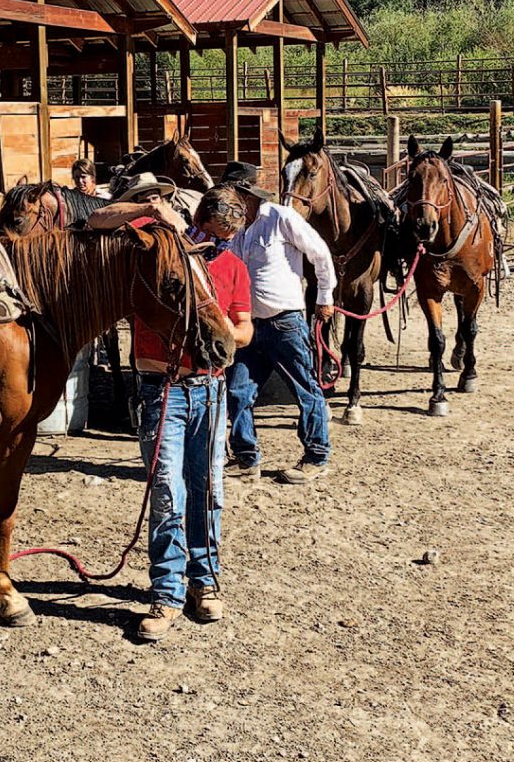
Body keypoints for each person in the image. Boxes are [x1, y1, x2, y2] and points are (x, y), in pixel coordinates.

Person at [89, 183, 252, 642]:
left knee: (208, 488)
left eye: (224, 240)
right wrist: (149, 207)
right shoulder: (160, 251)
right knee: (166, 490)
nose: (215, 246)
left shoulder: (233, 267)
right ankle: (167, 590)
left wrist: (217, 331)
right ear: (195, 222)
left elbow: (245, 328)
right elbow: (96, 221)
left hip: (211, 388)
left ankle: (204, 581)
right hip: (164, 388)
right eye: (211, 235)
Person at [211, 162, 336, 485]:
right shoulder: (235, 229)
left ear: (245, 194)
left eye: (232, 195)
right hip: (248, 325)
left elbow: (320, 253)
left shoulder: (281, 218)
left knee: (305, 388)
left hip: (285, 321)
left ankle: (316, 455)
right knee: (238, 391)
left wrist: (324, 296)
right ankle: (246, 457)